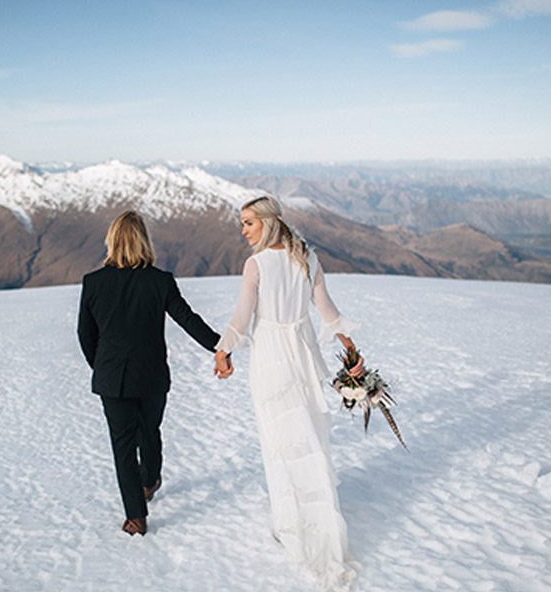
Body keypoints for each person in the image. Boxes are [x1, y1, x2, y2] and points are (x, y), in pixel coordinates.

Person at [213, 196, 361, 590]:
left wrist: (223, 350)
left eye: (248, 223)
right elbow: (327, 311)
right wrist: (350, 349)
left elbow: (243, 316)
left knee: (280, 442)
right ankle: (315, 521)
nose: (243, 231)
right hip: (305, 355)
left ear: (266, 222)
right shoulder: (306, 258)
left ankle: (292, 527)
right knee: (310, 437)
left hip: (272, 358)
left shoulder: (257, 264)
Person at [77, 210, 226, 536]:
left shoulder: (93, 283)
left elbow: (85, 336)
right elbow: (189, 320)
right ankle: (148, 483)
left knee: (124, 446)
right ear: (144, 241)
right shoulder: (159, 281)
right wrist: (220, 346)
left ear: (111, 241)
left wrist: (101, 366)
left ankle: (135, 514)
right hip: (152, 375)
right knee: (149, 430)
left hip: (111, 378)